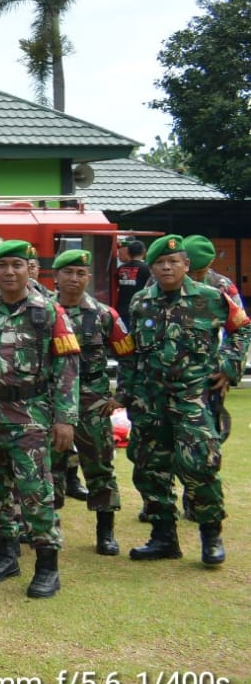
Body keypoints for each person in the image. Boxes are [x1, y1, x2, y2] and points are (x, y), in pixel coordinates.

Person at [0, 239, 79, 598]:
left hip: (30, 417)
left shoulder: (48, 312)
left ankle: (47, 567)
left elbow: (67, 368)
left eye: (17, 265)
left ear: (28, 268)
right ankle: (5, 556)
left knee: (36, 493)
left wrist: (65, 418)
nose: (9, 272)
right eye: (2, 265)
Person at [123, 235, 249, 566]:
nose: (167, 267)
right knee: (150, 470)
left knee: (200, 465)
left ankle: (211, 536)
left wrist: (229, 364)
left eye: (174, 262)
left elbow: (241, 328)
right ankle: (163, 537)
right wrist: (128, 394)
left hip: (191, 398)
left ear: (186, 265)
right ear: (151, 268)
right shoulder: (140, 303)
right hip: (150, 399)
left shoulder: (211, 298)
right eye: (160, 263)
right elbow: (132, 352)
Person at [48, 248, 133, 555]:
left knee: (100, 467)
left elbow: (130, 357)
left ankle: (105, 533)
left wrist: (120, 395)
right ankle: (47, 529)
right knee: (48, 468)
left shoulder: (104, 315)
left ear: (88, 277)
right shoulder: (41, 312)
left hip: (92, 405)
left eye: (81, 273)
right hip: (50, 406)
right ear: (56, 277)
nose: (74, 279)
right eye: (68, 272)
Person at [113, 237, 150, 326]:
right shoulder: (147, 269)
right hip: (140, 309)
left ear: (128, 253)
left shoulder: (120, 269)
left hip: (121, 310)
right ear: (144, 252)